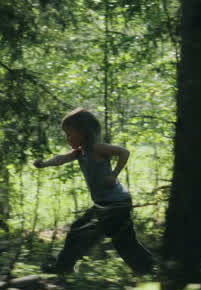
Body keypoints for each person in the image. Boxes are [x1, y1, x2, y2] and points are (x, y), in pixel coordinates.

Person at [33, 108, 156, 276]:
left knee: (89, 232)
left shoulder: (98, 148)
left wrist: (114, 174)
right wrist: (44, 164)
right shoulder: (80, 152)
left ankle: (64, 267)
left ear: (84, 132)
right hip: (106, 204)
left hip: (115, 204)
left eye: (70, 134)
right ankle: (149, 270)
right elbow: (60, 158)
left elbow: (124, 152)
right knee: (119, 241)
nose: (67, 139)